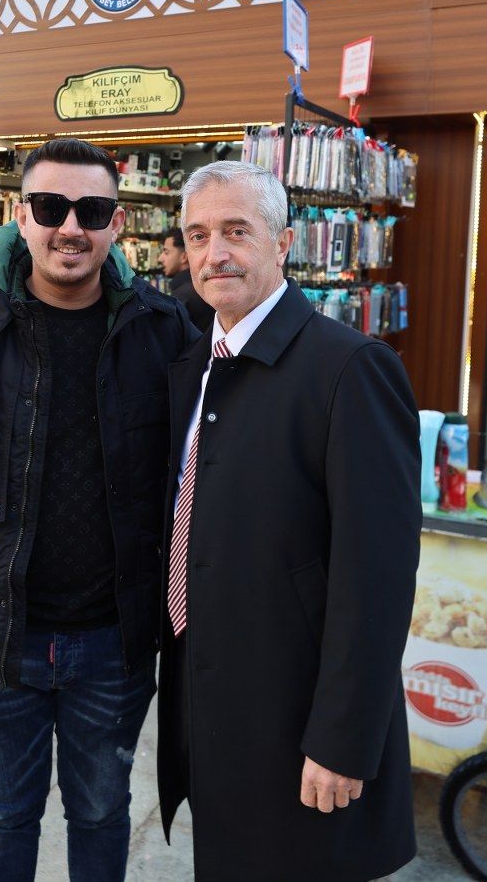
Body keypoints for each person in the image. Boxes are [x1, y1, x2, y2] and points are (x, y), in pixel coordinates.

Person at [0, 137, 196, 882]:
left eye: (91, 210)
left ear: (118, 222)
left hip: (115, 639)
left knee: (101, 809)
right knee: (4, 813)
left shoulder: (164, 332)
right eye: (52, 207)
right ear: (21, 217)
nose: (70, 228)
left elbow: (203, 468)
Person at [158, 161, 422, 881]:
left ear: (283, 242)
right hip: (216, 703)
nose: (215, 253)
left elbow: (378, 576)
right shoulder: (196, 364)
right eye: (198, 235)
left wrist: (343, 738)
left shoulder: (351, 367)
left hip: (297, 715)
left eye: (236, 231)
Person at [159, 228, 214, 330]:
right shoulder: (203, 287)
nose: (160, 258)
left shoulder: (183, 296)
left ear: (184, 256)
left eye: (166, 252)